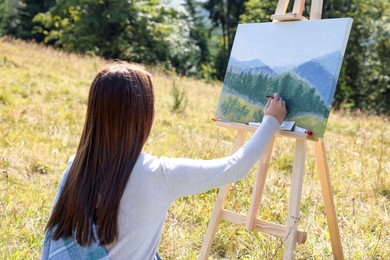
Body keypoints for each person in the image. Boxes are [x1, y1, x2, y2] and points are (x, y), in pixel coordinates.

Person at [42, 62, 286, 260]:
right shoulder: (159, 174)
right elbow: (236, 167)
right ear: (145, 114)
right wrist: (271, 121)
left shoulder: (76, 165)